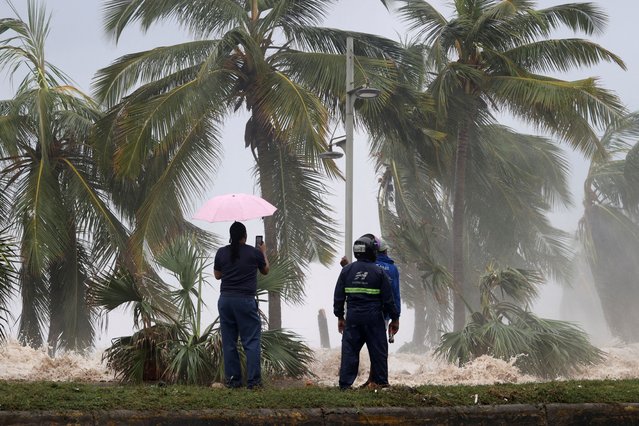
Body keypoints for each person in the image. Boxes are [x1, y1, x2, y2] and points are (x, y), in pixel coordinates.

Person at [333, 234, 400, 389]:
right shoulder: (379, 272)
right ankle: (381, 382)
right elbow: (388, 300)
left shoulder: (347, 271)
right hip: (373, 318)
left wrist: (340, 317)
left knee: (350, 351)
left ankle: (345, 385)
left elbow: (338, 296)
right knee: (378, 351)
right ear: (371, 251)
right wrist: (395, 318)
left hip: (353, 318)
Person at [214, 221, 269, 389]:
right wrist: (264, 253)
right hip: (245, 301)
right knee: (251, 341)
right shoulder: (254, 253)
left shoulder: (222, 252)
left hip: (226, 301)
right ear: (245, 236)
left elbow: (217, 275)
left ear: (231, 236)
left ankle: (233, 381)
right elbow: (265, 270)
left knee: (229, 342)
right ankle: (254, 382)